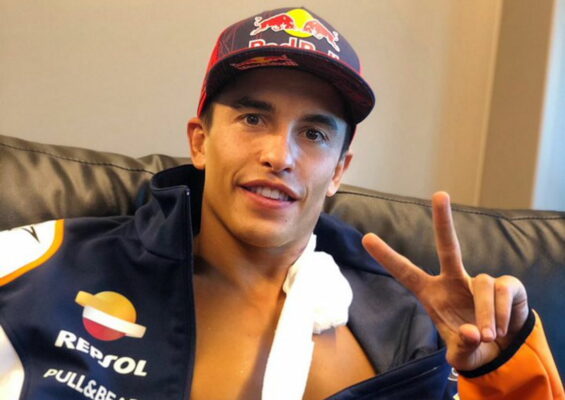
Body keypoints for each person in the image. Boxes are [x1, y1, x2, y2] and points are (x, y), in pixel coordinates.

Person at [0, 7, 562, 400]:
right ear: (200, 141)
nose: (279, 155)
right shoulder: (44, 266)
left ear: (339, 170)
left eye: (313, 133)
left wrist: (498, 372)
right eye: (253, 118)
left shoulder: (412, 328)